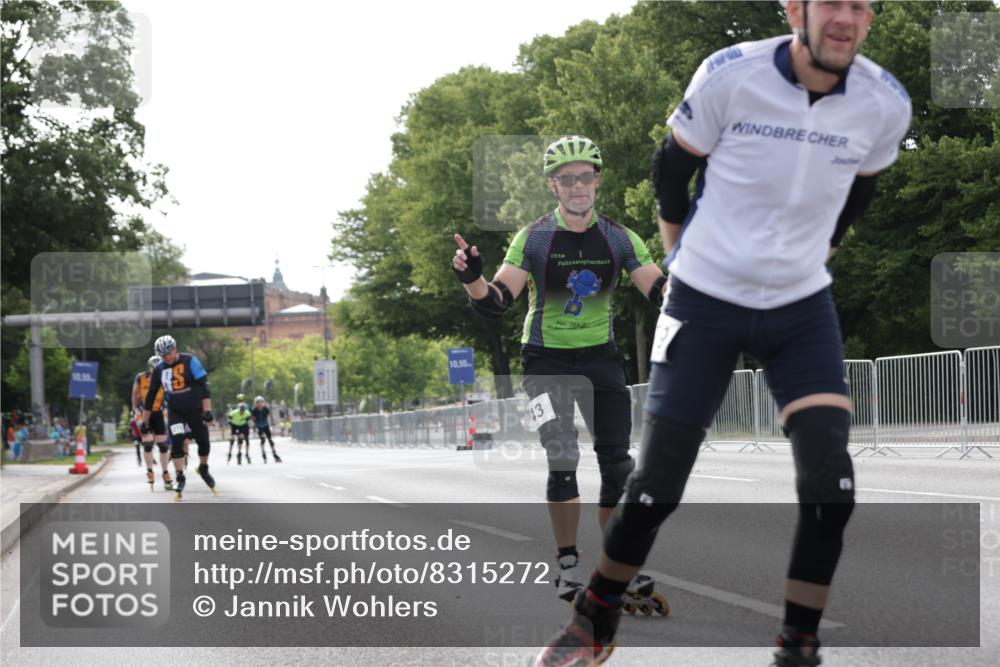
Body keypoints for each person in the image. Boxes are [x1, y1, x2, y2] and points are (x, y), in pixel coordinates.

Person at [535, 2, 912, 665]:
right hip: (705, 299)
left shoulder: (885, 104)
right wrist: (681, 258)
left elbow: (858, 192)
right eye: (831, 2)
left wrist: (815, 256)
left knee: (832, 484)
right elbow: (670, 171)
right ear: (796, 8)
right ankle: (595, 617)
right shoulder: (730, 77)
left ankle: (798, 645)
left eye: (860, 4)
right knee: (654, 486)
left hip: (800, 307)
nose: (846, 18)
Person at [453, 135, 669, 607]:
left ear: (597, 181)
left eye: (586, 176)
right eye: (567, 178)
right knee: (563, 457)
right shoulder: (533, 239)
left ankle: (615, 568)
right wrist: (472, 278)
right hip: (545, 361)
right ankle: (568, 563)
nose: (578, 186)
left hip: (600, 359)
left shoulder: (619, 238)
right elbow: (498, 302)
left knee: (619, 467)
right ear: (554, 186)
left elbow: (658, 291)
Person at [139, 335, 218, 497]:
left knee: (204, 443)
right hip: (176, 411)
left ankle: (203, 468)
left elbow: (204, 386)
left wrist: (207, 411)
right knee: (177, 439)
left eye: (169, 353)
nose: (167, 357)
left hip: (196, 408)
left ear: (175, 349)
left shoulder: (190, 361)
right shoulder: (160, 369)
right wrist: (144, 421)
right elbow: (151, 397)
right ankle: (180, 476)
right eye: (163, 355)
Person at [132, 355, 173, 489]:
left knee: (163, 445)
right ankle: (150, 471)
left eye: (157, 367)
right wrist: (134, 410)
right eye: (152, 367)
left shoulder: (165, 377)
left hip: (160, 412)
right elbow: (135, 394)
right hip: (145, 413)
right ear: (149, 367)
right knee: (148, 444)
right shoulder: (141, 378)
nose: (155, 370)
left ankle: (165, 472)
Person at [251, 396, 282, 462]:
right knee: (263, 440)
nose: (259, 404)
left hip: (266, 426)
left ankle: (274, 453)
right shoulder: (254, 410)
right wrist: (255, 425)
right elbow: (253, 419)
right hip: (259, 426)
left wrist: (273, 423)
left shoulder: (265, 409)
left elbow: (270, 415)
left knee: (270, 439)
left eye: (261, 402)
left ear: (263, 403)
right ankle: (263, 452)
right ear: (256, 403)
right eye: (258, 403)